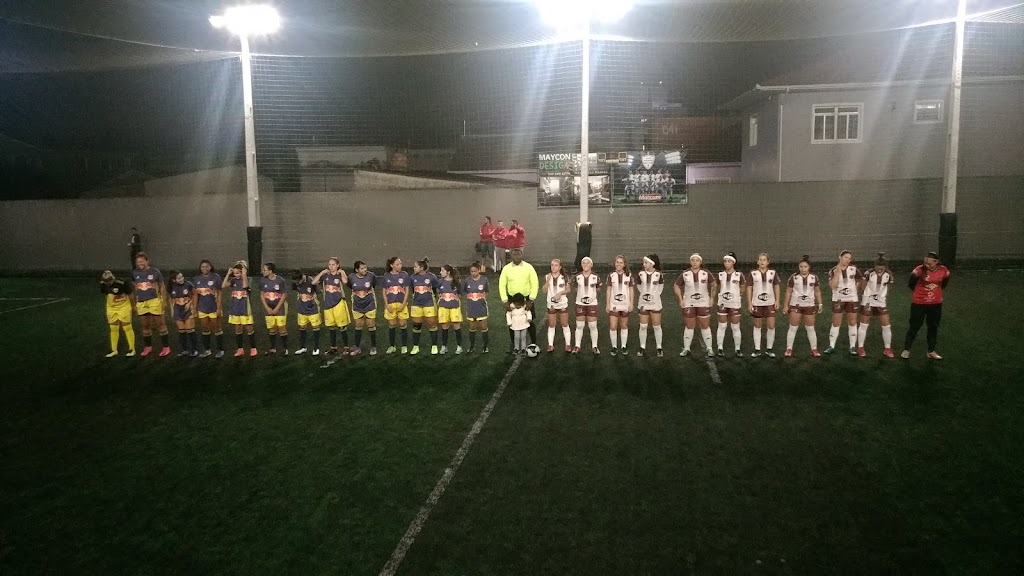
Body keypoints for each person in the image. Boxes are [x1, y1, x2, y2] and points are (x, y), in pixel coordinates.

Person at [902, 251, 950, 360]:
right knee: (914, 326)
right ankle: (906, 350)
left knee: (933, 327)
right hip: (919, 303)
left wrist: (935, 293)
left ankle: (931, 351)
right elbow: (911, 284)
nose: (927, 265)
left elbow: (944, 283)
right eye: (925, 263)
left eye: (929, 263)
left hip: (935, 304)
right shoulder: (918, 270)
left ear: (936, 262)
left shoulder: (944, 270)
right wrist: (920, 294)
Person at [674, 254, 717, 357]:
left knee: (705, 326)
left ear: (700, 262)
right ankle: (686, 348)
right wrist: (680, 300)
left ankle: (709, 348)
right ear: (690, 262)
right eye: (693, 260)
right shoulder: (685, 274)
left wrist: (712, 298)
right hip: (689, 303)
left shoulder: (706, 273)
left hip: (703, 303)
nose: (695, 262)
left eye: (697, 260)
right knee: (689, 326)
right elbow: (676, 285)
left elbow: (714, 285)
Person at [130, 252, 171, 357]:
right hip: (141, 302)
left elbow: (162, 286)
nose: (140, 263)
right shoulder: (134, 272)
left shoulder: (155, 271)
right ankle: (148, 347)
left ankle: (166, 347)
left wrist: (164, 300)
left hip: (154, 301)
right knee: (145, 325)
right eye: (138, 262)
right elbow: (134, 285)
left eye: (142, 261)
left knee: (160, 324)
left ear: (147, 261)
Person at [499, 248, 539, 353]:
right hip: (512, 299)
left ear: (522, 255)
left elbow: (535, 283)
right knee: (512, 322)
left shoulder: (529, 267)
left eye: (518, 254)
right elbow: (502, 285)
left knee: (530, 321)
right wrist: (505, 301)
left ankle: (533, 343)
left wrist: (531, 300)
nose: (516, 256)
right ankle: (515, 345)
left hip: (527, 299)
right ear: (510, 256)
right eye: (514, 254)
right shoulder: (506, 269)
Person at [783, 255, 824, 358]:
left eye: (805, 267)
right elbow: (788, 292)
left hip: (809, 305)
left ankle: (814, 349)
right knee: (793, 327)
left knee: (810, 328)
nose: (803, 269)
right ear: (799, 267)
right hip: (795, 305)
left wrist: (820, 303)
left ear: (809, 267)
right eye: (801, 267)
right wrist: (785, 306)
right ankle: (789, 349)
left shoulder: (814, 278)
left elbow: (817, 291)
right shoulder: (794, 277)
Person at [825, 250, 863, 355]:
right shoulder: (833, 270)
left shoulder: (854, 269)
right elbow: (832, 286)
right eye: (846, 257)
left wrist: (855, 288)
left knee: (852, 322)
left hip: (852, 299)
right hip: (838, 299)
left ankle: (852, 347)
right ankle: (831, 345)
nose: (848, 260)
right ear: (840, 257)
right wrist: (837, 272)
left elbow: (860, 280)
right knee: (836, 322)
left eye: (849, 258)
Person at [857, 252, 895, 357]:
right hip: (868, 301)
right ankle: (860, 347)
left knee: (886, 325)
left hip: (880, 302)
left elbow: (889, 286)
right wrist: (867, 295)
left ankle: (887, 348)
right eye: (878, 267)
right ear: (875, 266)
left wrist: (882, 295)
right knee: (864, 324)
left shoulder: (889, 275)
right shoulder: (869, 273)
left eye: (882, 267)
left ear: (885, 267)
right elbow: (863, 286)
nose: (880, 269)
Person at [312, 258, 351, 355]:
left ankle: (346, 347)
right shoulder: (325, 276)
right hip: (328, 304)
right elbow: (313, 282)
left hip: (339, 304)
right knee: (331, 327)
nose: (331, 267)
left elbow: (345, 282)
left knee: (342, 327)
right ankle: (333, 347)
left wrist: (342, 272)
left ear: (337, 265)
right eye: (329, 264)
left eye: (333, 264)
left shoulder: (339, 275)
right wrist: (321, 273)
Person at [746, 253, 781, 358]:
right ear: (757, 262)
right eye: (760, 260)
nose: (762, 262)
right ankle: (757, 349)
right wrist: (749, 303)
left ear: (768, 262)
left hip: (770, 303)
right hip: (757, 303)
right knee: (757, 326)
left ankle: (769, 349)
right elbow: (749, 288)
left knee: (771, 326)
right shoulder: (753, 273)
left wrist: (777, 300)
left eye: (764, 260)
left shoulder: (772, 273)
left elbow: (777, 286)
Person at [715, 252, 746, 357]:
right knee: (722, 325)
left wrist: (736, 295)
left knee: (735, 327)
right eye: (725, 261)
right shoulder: (720, 274)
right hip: (722, 303)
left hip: (734, 303)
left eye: (729, 261)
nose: (727, 263)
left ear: (733, 262)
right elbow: (716, 286)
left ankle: (737, 349)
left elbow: (743, 287)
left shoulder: (739, 275)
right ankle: (720, 348)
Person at [223, 261, 257, 357]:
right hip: (235, 309)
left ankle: (253, 348)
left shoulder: (248, 280)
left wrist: (244, 275)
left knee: (249, 328)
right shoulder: (233, 280)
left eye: (238, 273)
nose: (236, 275)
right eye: (235, 273)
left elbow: (245, 286)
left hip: (245, 308)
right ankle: (240, 349)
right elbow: (223, 286)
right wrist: (228, 274)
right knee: (237, 328)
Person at [100, 270, 136, 357]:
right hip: (111, 308)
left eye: (109, 282)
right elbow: (106, 295)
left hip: (123, 307)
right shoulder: (102, 284)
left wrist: (133, 307)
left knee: (127, 327)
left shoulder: (122, 283)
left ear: (113, 279)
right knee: (113, 328)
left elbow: (130, 295)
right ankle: (114, 350)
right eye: (106, 282)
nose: (108, 284)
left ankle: (132, 349)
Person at [193, 260, 225, 358]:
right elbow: (195, 295)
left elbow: (219, 293)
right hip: (202, 308)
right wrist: (195, 308)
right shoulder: (196, 279)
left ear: (210, 267)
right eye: (202, 266)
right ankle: (207, 350)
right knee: (205, 328)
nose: (205, 268)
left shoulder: (216, 277)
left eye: (206, 266)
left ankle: (220, 350)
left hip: (213, 308)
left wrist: (219, 308)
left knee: (217, 328)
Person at [409, 258, 441, 355]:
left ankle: (434, 346)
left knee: (432, 324)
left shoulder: (432, 277)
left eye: (415, 267)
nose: (413, 268)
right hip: (416, 304)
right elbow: (413, 289)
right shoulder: (412, 277)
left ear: (421, 268)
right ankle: (415, 347)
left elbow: (436, 289)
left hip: (429, 303)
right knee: (416, 325)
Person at [636, 253, 665, 357]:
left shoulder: (659, 274)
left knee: (657, 326)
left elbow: (660, 287)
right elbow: (639, 286)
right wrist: (645, 295)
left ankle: (659, 347)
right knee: (643, 326)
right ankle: (642, 347)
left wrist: (654, 296)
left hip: (655, 303)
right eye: (644, 262)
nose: (644, 264)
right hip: (643, 303)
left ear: (652, 264)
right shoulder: (640, 274)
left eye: (646, 262)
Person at [348, 261, 379, 356]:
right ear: (356, 270)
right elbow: (350, 286)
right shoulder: (351, 277)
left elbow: (374, 285)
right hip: (357, 306)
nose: (365, 270)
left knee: (371, 325)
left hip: (370, 305)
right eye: (362, 268)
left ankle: (373, 347)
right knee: (358, 325)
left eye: (365, 267)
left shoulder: (371, 276)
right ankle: (357, 348)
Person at [382, 256, 412, 354]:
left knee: (403, 324)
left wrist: (403, 304)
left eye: (400, 264)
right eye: (397, 264)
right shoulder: (386, 276)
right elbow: (384, 291)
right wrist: (386, 304)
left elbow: (407, 291)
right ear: (392, 265)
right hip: (390, 304)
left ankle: (404, 346)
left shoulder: (404, 275)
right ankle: (392, 346)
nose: (400, 266)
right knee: (392, 325)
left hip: (401, 304)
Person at [606, 255, 635, 356]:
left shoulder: (629, 275)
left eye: (621, 262)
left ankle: (623, 346)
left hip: (625, 304)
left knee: (623, 325)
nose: (618, 264)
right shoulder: (611, 275)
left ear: (624, 264)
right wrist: (607, 304)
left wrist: (631, 303)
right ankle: (614, 347)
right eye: (617, 262)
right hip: (614, 304)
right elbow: (608, 290)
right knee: (613, 326)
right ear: (614, 263)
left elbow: (631, 290)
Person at [573, 256, 602, 354]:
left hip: (592, 304)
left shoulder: (596, 276)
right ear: (581, 265)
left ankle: (594, 346)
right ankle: (577, 346)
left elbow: (598, 289)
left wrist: (592, 297)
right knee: (579, 325)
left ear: (591, 265)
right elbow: (575, 289)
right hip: (580, 304)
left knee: (593, 325)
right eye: (583, 263)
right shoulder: (577, 277)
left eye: (587, 263)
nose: (585, 265)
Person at [544, 259, 573, 353]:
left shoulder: (564, 277)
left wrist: (560, 293)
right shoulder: (547, 277)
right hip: (551, 304)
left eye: (556, 265)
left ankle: (568, 345)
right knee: (551, 324)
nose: (553, 267)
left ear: (560, 267)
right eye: (552, 265)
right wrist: (547, 281)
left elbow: (568, 289)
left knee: (564, 324)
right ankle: (550, 345)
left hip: (562, 304)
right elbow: (544, 290)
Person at [292, 269, 323, 356]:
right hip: (301, 310)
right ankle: (302, 347)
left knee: (315, 327)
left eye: (298, 281)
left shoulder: (311, 281)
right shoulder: (295, 283)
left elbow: (319, 292)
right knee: (302, 328)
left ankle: (316, 348)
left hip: (313, 309)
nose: (297, 283)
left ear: (302, 278)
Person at [462, 261, 491, 353]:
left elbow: (487, 291)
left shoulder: (484, 280)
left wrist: (482, 298)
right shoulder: (467, 280)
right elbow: (464, 291)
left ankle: (485, 347)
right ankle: (472, 346)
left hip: (481, 307)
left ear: (479, 270)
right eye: (471, 271)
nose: (473, 273)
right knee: (472, 327)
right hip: (471, 307)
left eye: (475, 271)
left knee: (484, 327)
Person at [259, 263, 288, 355]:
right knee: (272, 327)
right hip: (268, 308)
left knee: (281, 327)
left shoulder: (280, 280)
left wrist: (277, 308)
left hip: (280, 308)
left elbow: (284, 295)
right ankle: (272, 348)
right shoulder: (263, 280)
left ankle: (285, 348)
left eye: (264, 270)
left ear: (270, 271)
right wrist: (267, 307)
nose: (262, 272)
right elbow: (262, 294)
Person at [168, 271, 198, 357]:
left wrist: (191, 304)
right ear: (174, 280)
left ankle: (194, 350)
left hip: (188, 310)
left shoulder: (188, 284)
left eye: (182, 277)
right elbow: (171, 299)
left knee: (190, 330)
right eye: (179, 278)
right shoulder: (171, 287)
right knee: (181, 331)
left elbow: (195, 294)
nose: (181, 279)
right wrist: (172, 310)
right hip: (178, 310)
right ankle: (184, 350)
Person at [437, 264, 464, 354]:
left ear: (448, 272)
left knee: (456, 326)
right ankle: (444, 346)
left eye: (442, 271)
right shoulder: (440, 282)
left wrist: (453, 298)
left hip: (454, 307)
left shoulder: (456, 282)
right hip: (443, 307)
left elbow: (460, 294)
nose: (440, 272)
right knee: (444, 327)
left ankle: (459, 347)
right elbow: (438, 293)